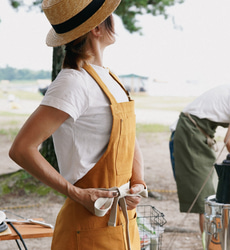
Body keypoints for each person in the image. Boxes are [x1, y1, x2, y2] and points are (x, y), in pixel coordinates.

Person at [9, 0, 147, 249]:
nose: (114, 20)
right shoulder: (73, 82)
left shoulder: (110, 77)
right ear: (96, 29)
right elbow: (22, 149)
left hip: (123, 224)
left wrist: (138, 182)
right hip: (87, 228)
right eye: (109, 16)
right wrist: (78, 194)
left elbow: (128, 135)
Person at [169, 84, 230, 234]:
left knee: (212, 192)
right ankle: (213, 244)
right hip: (190, 133)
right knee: (208, 198)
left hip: (198, 132)